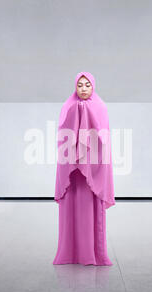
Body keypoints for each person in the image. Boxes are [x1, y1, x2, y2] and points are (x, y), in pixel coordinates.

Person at [53, 71, 115, 266]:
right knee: (72, 208)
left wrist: (86, 113)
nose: (83, 89)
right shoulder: (67, 106)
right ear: (75, 87)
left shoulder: (101, 107)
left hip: (92, 168)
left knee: (91, 209)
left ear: (93, 86)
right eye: (80, 85)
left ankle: (93, 254)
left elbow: (103, 138)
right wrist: (77, 112)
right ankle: (70, 253)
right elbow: (64, 135)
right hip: (73, 170)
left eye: (87, 85)